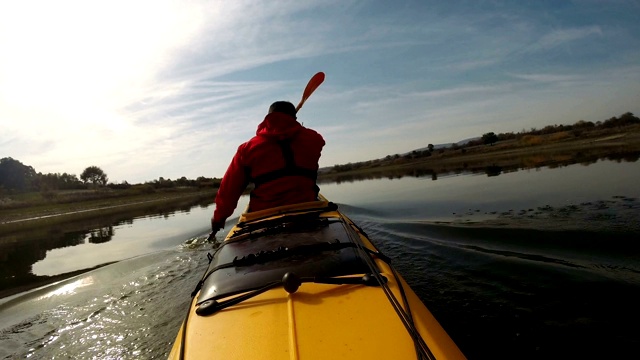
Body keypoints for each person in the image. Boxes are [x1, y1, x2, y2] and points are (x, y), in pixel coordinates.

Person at [210, 101, 325, 236]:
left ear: (268, 118)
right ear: (294, 118)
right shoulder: (314, 139)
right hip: (307, 208)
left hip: (263, 214)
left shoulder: (247, 149)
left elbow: (229, 189)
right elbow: (301, 137)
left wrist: (219, 218)